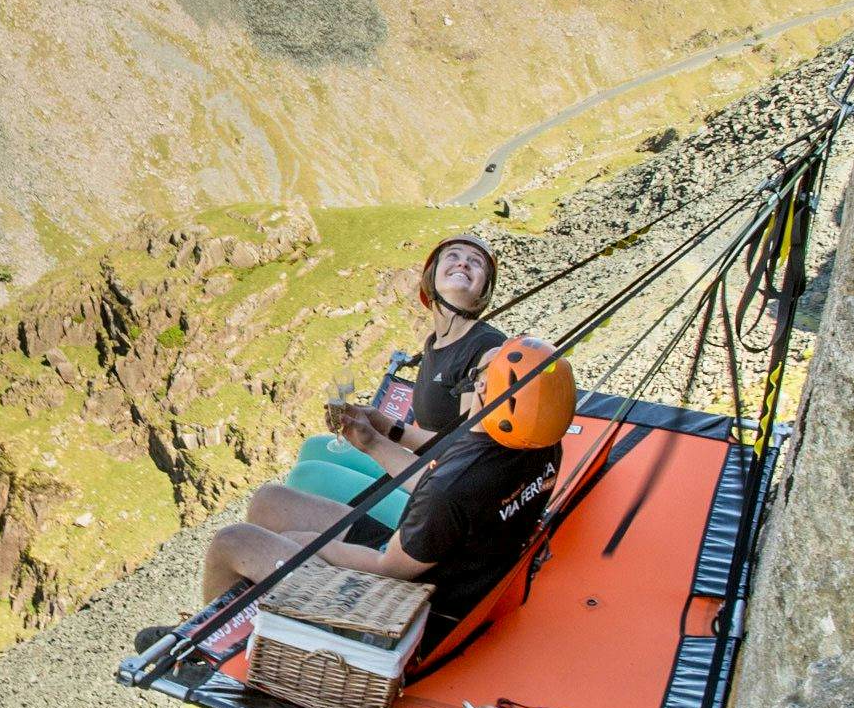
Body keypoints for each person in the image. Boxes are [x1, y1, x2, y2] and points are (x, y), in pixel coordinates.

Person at [142, 336, 573, 661]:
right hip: (441, 561)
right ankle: (265, 620)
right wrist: (374, 439)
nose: (474, 383)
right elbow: (439, 482)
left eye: (481, 380)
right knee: (269, 502)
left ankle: (205, 652)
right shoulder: (535, 443)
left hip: (408, 604)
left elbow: (392, 569)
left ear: (488, 398)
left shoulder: (454, 488)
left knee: (232, 541)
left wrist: (313, 543)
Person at [283, 233, 512, 532]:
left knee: (307, 478)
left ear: (484, 288)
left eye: (475, 262)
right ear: (431, 277)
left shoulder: (486, 347)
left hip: (445, 498)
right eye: (453, 256)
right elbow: (441, 435)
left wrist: (376, 441)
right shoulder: (436, 344)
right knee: (315, 448)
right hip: (430, 472)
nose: (463, 264)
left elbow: (464, 454)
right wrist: (381, 422)